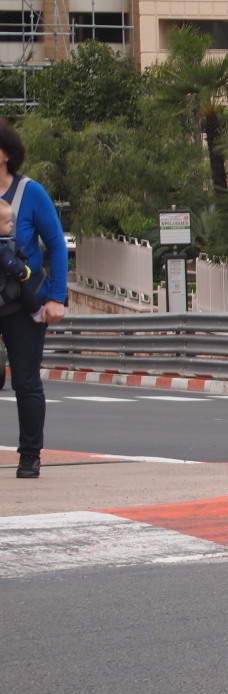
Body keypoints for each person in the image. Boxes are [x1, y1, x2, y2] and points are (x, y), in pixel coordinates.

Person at [0, 118, 69, 479]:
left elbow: (56, 244)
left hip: (22, 303)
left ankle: (30, 455)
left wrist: (57, 297)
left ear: (6, 154)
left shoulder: (31, 193)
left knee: (26, 381)